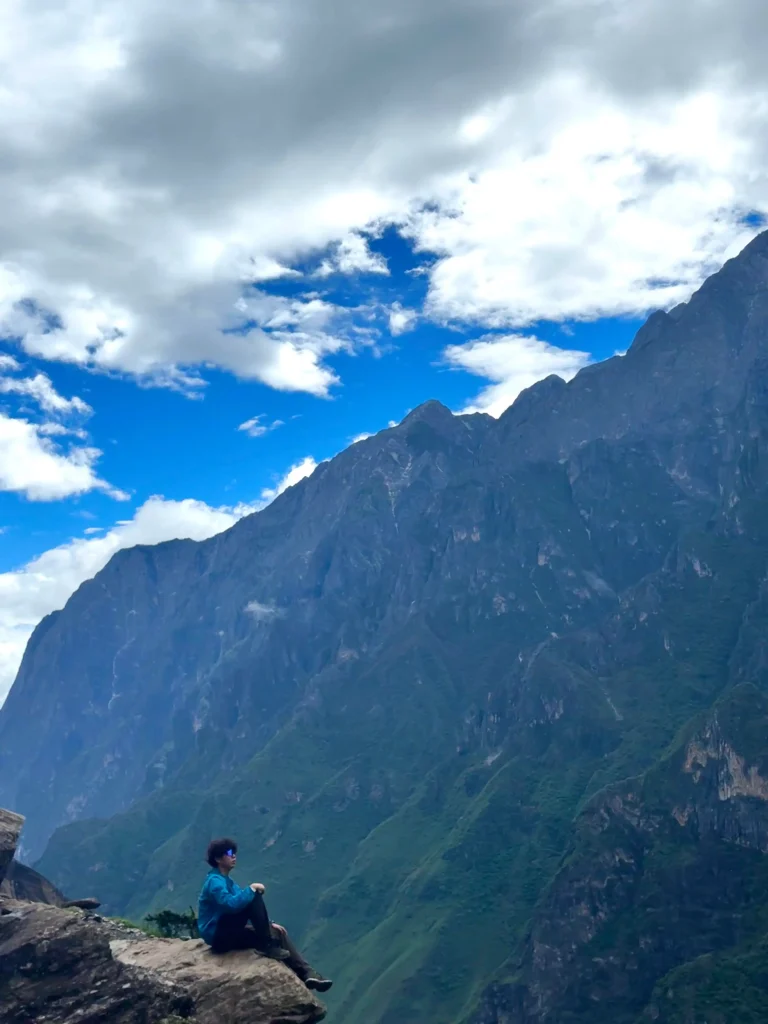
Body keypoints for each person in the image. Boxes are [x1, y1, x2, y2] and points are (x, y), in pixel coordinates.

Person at [197, 837, 332, 993]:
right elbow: (231, 905)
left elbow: (242, 906)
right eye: (229, 853)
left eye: (234, 852)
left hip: (229, 932)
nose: (234, 856)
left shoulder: (227, 881)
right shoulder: (215, 882)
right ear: (218, 858)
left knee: (277, 932)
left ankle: (308, 973)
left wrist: (269, 923)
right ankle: (268, 946)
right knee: (253, 896)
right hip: (218, 936)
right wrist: (252, 888)